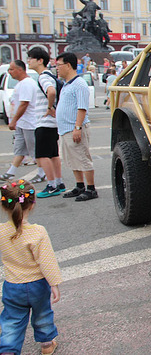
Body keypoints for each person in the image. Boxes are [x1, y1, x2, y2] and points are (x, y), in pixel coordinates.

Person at [0, 179, 61, 354]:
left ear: (4, 206)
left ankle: (8, 349)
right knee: (42, 313)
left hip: (13, 285)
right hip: (37, 284)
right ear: (32, 204)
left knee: (12, 319)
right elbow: (46, 260)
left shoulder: (2, 231)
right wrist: (54, 283)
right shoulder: (37, 232)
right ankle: (47, 344)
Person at [55, 52, 98, 201]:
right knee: (73, 159)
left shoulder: (79, 84)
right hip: (65, 129)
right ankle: (80, 185)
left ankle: (91, 189)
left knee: (82, 157)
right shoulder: (67, 84)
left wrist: (77, 128)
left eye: (59, 65)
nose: (57, 68)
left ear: (68, 65)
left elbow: (82, 108)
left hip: (75, 128)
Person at [27, 47, 66, 198]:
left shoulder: (43, 77)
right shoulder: (49, 75)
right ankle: (59, 182)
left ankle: (51, 185)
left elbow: (51, 92)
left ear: (39, 60)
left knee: (43, 155)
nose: (28, 61)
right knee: (53, 154)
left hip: (44, 122)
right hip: (52, 123)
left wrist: (49, 107)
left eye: (30, 58)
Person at [0, 60, 46, 183]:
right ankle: (11, 172)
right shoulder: (21, 83)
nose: (9, 72)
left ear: (20, 70)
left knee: (34, 150)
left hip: (29, 123)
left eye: (11, 69)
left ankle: (42, 173)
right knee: (19, 148)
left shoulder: (27, 83)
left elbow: (24, 104)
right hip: (22, 123)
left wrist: (14, 120)